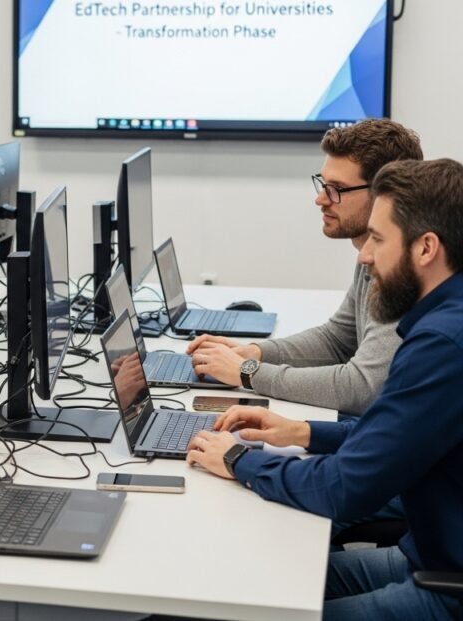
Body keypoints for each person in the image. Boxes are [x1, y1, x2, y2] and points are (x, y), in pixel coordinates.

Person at [186, 158, 463, 620]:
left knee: (250, 601)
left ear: (426, 248)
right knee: (257, 579)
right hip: (430, 557)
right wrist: (303, 432)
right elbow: (394, 435)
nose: (364, 255)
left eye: (377, 239)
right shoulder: (442, 321)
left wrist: (238, 460)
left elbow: (344, 487)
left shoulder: (442, 345)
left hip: (445, 591)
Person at [187, 119, 423, 415]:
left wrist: (248, 372)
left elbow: (363, 388)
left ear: (384, 194)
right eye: (323, 184)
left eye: (337, 189)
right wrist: (254, 353)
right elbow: (337, 341)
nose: (320, 199)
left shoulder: (407, 269)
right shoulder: (370, 251)